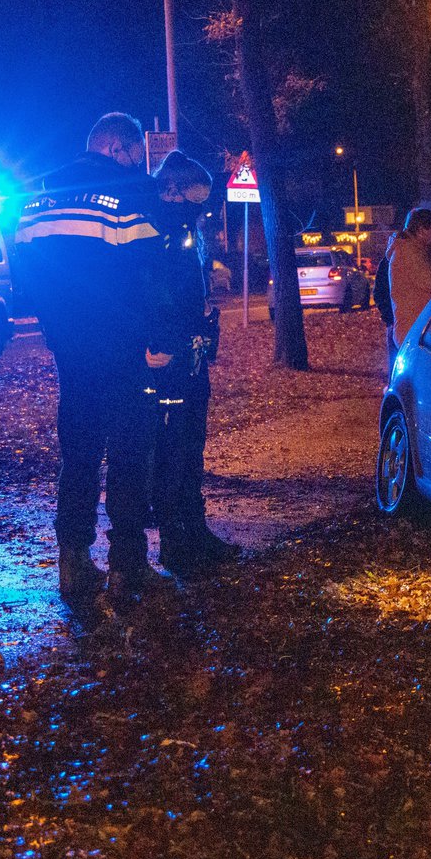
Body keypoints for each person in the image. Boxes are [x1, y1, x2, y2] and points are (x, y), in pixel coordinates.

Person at [13, 113, 172, 599]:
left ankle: (74, 563)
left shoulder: (38, 200)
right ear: (118, 148)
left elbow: (25, 275)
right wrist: (157, 337)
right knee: (129, 452)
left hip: (70, 349)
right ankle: (127, 566)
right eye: (135, 153)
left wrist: (55, 324)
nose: (138, 162)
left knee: (78, 454)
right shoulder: (127, 198)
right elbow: (152, 275)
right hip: (121, 347)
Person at [148, 151, 240, 577]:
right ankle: (174, 539)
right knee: (174, 447)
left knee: (189, 446)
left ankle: (193, 530)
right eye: (196, 201)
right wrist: (167, 340)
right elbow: (157, 294)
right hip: (171, 358)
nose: (201, 210)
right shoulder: (159, 230)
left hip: (189, 354)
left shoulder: (182, 229)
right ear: (174, 191)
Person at [386, 207, 431, 348]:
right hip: (417, 331)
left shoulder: (420, 251)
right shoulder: (409, 253)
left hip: (420, 329)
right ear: (421, 230)